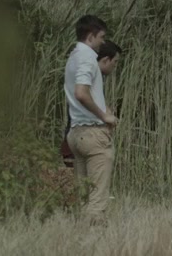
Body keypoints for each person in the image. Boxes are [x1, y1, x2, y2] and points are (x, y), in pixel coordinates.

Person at [63, 15, 119, 218]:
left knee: (83, 195)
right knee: (97, 199)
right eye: (101, 37)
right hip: (93, 132)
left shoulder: (73, 56)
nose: (103, 42)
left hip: (76, 131)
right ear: (91, 36)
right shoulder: (87, 57)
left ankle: (81, 230)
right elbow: (81, 92)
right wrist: (104, 116)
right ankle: (95, 232)